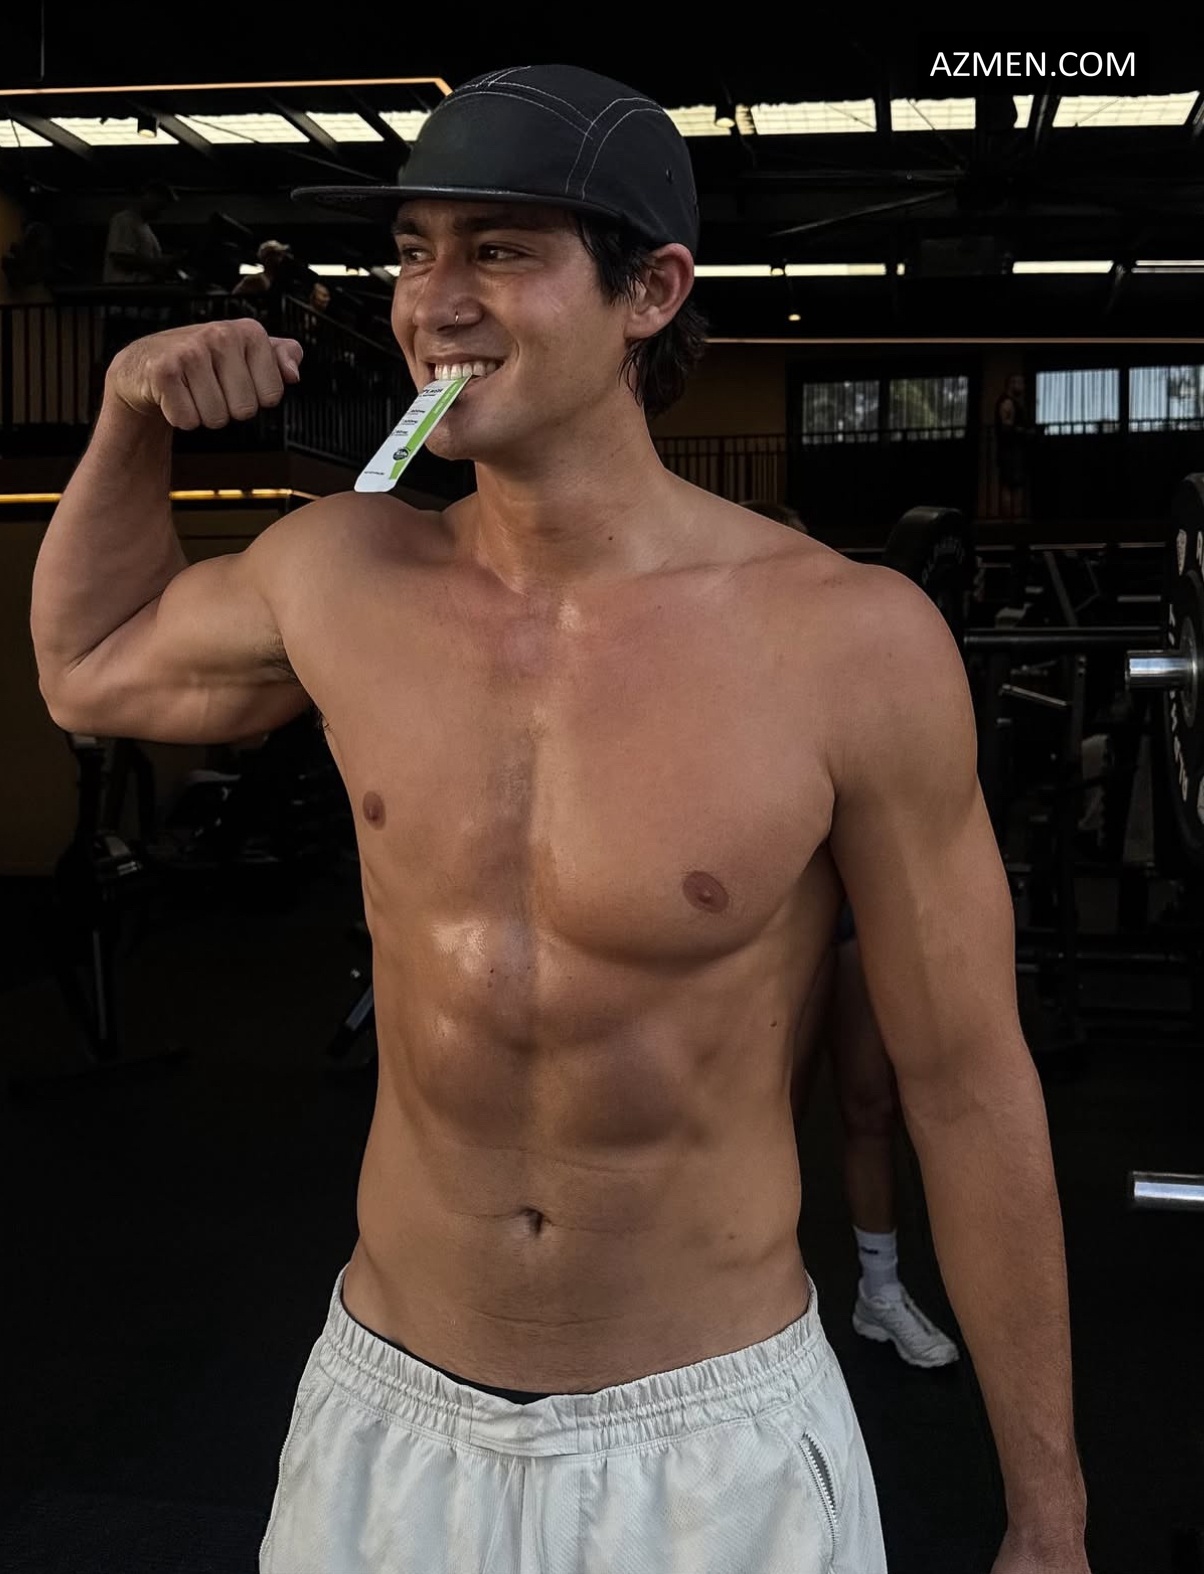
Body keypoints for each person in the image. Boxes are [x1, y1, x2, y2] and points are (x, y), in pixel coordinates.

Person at [30, 65, 1090, 1574]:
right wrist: (132, 415)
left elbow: (970, 1090)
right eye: (413, 252)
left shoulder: (846, 643)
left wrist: (1050, 1516)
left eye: (501, 250)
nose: (434, 302)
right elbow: (87, 659)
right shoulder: (341, 571)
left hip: (707, 1444)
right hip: (390, 1415)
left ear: (652, 290)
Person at [742, 498, 960, 1369]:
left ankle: (880, 1292)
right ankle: (760, 1309)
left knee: (873, 1105)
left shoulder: (844, 668)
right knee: (771, 1116)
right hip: (777, 926)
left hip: (856, 918)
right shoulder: (719, 681)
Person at [102, 180, 179, 284]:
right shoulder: (124, 220)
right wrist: (160, 262)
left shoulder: (144, 226)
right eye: (160, 206)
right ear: (149, 197)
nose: (161, 212)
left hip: (140, 288)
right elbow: (119, 257)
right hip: (126, 289)